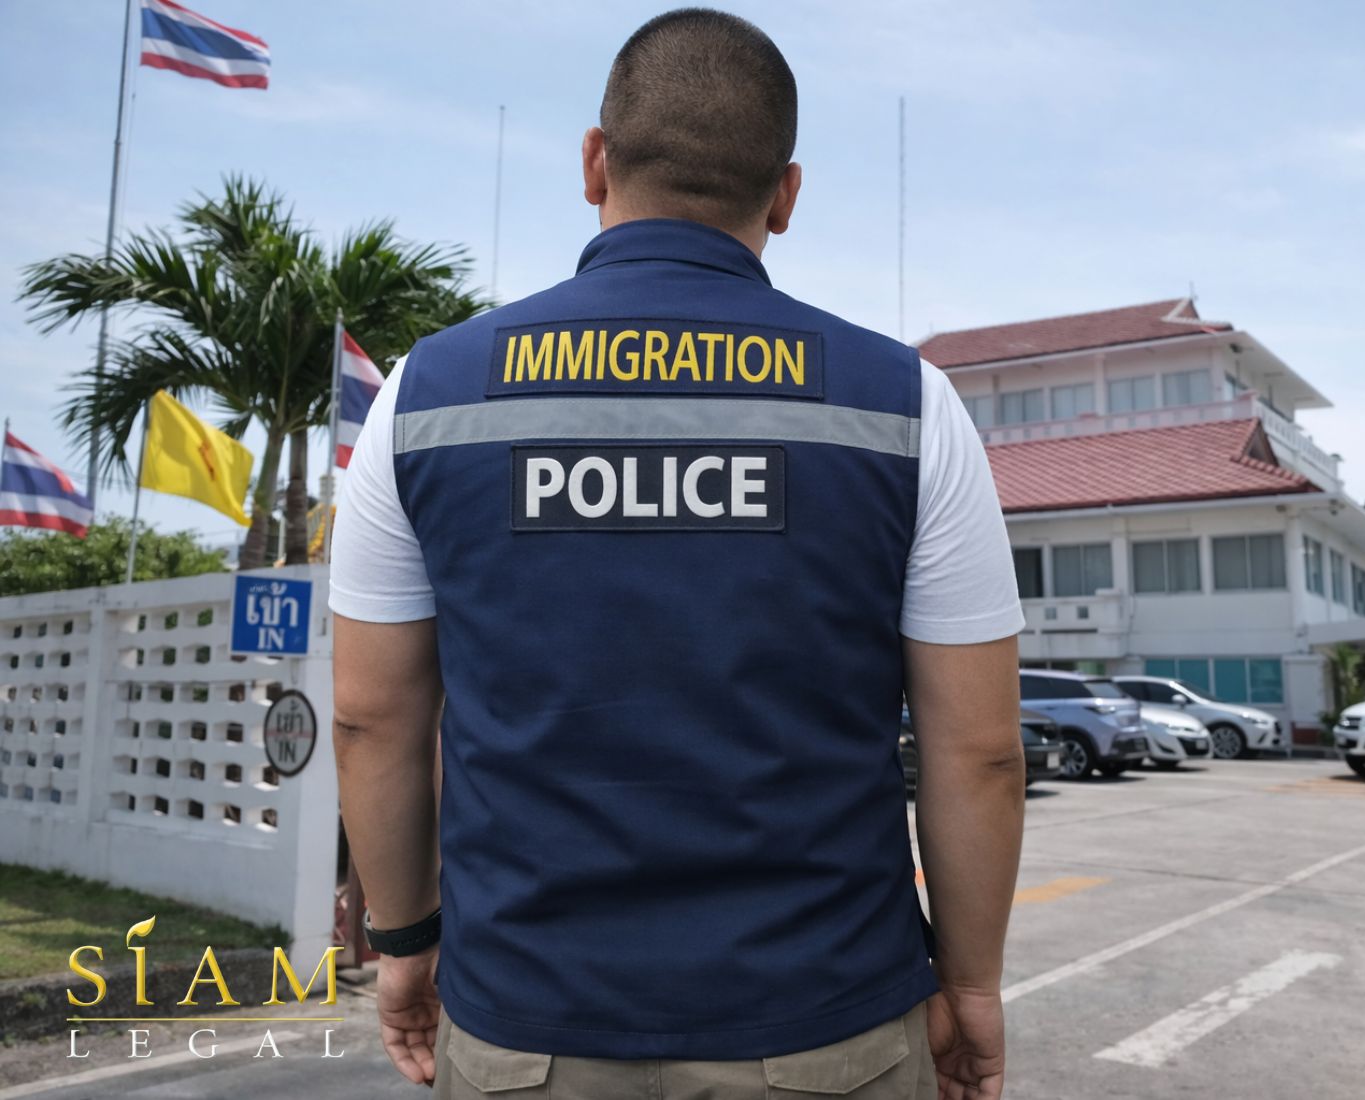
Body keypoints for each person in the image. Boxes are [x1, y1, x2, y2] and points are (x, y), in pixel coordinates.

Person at [330, 9, 1025, 1098]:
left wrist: (406, 935)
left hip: (524, 1021)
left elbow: (374, 715)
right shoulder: (904, 405)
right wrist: (969, 983)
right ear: (784, 195)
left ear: (594, 162)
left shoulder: (427, 394)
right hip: (824, 1023)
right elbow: (977, 747)